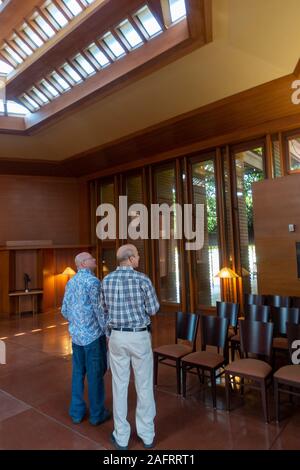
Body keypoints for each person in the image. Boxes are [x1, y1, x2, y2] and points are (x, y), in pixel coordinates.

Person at [101, 244, 160, 450]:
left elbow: (104, 311)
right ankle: (147, 435)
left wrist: (110, 333)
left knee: (119, 386)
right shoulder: (142, 279)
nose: (139, 258)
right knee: (144, 385)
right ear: (130, 259)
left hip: (117, 337)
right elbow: (153, 309)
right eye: (137, 255)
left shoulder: (106, 280)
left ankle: (122, 436)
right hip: (139, 337)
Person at [61, 252, 110, 425]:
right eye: (91, 259)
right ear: (82, 263)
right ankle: (97, 414)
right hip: (93, 337)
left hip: (76, 338)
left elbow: (64, 310)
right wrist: (108, 332)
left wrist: (77, 324)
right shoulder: (93, 282)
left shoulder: (70, 282)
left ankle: (76, 412)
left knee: (77, 373)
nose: (95, 260)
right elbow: (99, 311)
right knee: (95, 375)